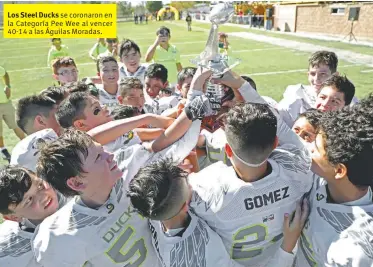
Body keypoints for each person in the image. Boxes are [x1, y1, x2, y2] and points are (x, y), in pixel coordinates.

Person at [32, 69, 216, 267]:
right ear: (76, 182)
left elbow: (179, 144)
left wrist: (195, 93)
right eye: (98, 157)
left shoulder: (127, 165)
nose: (109, 155)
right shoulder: (57, 236)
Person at [189, 102, 313, 266]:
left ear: (227, 150)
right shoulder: (299, 174)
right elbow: (295, 144)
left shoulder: (204, 188)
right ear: (276, 144)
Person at [128, 158, 309, 267]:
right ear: (186, 205)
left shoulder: (152, 206)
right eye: (189, 183)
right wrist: (288, 245)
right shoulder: (202, 253)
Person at [296, 106, 373, 266]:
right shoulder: (338, 175)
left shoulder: (369, 250)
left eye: (315, 148)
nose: (308, 149)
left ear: (339, 170)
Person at [0, 166, 68, 267]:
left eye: (40, 185)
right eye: (28, 200)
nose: (43, 196)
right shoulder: (9, 255)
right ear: (14, 217)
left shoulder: (73, 187)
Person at [277, 51, 357, 128]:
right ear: (308, 74)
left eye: (323, 74)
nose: (316, 79)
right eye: (312, 74)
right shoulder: (295, 95)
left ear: (335, 75)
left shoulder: (349, 101)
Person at [11, 86, 67, 170]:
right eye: (57, 115)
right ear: (41, 121)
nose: (63, 120)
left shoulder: (21, 152)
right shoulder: (43, 151)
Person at [0, 65, 25, 162]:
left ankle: (25, 141)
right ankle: (2, 149)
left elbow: (4, 73)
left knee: (16, 124)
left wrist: (7, 85)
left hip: (6, 102)